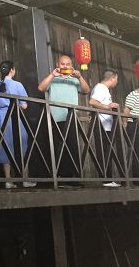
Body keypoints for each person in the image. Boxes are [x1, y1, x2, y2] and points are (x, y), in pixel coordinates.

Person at [38, 55, 90, 185]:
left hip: (71, 117)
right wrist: (53, 74)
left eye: (68, 64)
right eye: (62, 64)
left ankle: (74, 177)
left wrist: (80, 77)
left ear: (71, 66)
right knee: (57, 146)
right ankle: (60, 177)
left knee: (73, 146)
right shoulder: (53, 78)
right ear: (58, 64)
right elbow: (41, 88)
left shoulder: (74, 79)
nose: (65, 66)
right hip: (55, 117)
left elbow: (86, 90)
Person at [0, 61, 35, 189]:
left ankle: (7, 180)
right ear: (12, 70)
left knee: (4, 147)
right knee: (22, 145)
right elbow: (24, 105)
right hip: (14, 116)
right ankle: (24, 179)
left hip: (0, 117)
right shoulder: (17, 84)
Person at [88, 70, 122, 187]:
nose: (116, 82)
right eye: (116, 79)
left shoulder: (103, 88)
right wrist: (107, 106)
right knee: (104, 152)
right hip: (102, 125)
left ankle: (108, 179)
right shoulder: (101, 88)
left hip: (105, 125)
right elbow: (92, 102)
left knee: (107, 152)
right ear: (113, 78)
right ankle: (106, 180)